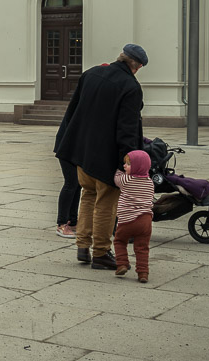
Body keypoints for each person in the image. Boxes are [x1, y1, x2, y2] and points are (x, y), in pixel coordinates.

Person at [55, 43, 148, 270]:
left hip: (82, 152)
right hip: (106, 156)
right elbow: (127, 132)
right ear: (136, 67)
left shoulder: (91, 74)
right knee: (106, 203)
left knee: (87, 195)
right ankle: (101, 253)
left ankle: (83, 246)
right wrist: (127, 162)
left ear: (121, 57)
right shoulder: (130, 87)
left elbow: (73, 111)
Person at [113, 150, 154, 283]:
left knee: (119, 241)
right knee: (142, 247)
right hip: (145, 220)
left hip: (127, 220)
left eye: (128, 164)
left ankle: (122, 264)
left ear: (137, 167)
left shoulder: (126, 179)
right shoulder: (149, 182)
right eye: (125, 163)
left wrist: (118, 171)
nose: (125, 166)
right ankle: (143, 273)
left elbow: (116, 179)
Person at [53, 113, 79, 238]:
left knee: (78, 184)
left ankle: (73, 221)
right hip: (66, 146)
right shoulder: (85, 101)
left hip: (77, 148)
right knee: (71, 182)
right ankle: (61, 223)